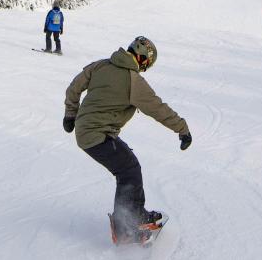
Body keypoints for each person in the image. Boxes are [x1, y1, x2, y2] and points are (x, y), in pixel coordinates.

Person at [64, 37, 190, 242]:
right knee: (128, 170)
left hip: (89, 132)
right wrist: (182, 129)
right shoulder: (134, 81)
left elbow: (74, 88)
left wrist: (71, 115)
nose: (144, 69)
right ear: (143, 59)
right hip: (98, 135)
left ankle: (131, 216)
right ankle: (128, 225)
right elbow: (158, 108)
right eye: (147, 65)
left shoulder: (101, 65)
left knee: (128, 166)